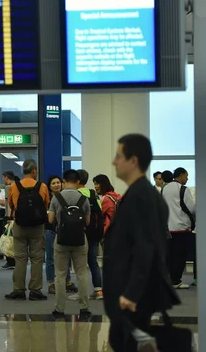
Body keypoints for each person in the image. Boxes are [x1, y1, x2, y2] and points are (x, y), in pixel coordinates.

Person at [105, 134, 179, 351]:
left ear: (133, 160)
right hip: (134, 294)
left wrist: (131, 294)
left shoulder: (141, 196)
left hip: (134, 297)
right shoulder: (141, 193)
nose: (114, 161)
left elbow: (146, 247)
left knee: (126, 344)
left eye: (118, 156)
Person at [5, 159, 50, 301]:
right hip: (37, 227)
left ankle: (18, 289)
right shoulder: (42, 186)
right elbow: (46, 204)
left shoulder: (14, 186)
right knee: (37, 258)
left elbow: (12, 205)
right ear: (34, 170)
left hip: (20, 225)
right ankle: (35, 290)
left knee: (20, 258)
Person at [48, 170, 91, 318]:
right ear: (78, 181)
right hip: (80, 239)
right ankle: (84, 308)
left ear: (65, 181)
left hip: (61, 239)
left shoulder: (56, 198)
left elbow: (50, 220)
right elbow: (87, 222)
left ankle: (59, 308)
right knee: (82, 273)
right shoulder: (84, 198)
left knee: (60, 275)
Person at [162, 167, 195, 289]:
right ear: (180, 175)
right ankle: (176, 280)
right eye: (186, 176)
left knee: (170, 255)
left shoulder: (165, 189)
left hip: (168, 227)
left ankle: (170, 279)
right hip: (182, 227)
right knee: (180, 255)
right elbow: (191, 208)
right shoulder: (183, 189)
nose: (187, 178)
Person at [73, 169, 102, 301]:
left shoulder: (75, 194)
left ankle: (81, 292)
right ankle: (98, 290)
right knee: (93, 262)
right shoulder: (93, 193)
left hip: (80, 233)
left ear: (77, 180)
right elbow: (100, 211)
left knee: (80, 264)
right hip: (94, 232)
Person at [45, 175, 75, 295]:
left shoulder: (65, 197)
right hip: (50, 230)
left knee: (66, 256)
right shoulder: (47, 199)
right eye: (53, 183)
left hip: (64, 230)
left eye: (58, 182)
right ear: (49, 186)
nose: (56, 185)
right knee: (51, 258)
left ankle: (67, 282)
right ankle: (51, 283)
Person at [0, 171, 15, 267]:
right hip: (10, 214)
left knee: (9, 236)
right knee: (8, 235)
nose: (3, 179)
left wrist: (9, 216)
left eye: (3, 177)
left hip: (10, 214)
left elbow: (7, 203)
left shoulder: (9, 188)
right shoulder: (12, 187)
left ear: (6, 177)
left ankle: (11, 259)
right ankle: (10, 259)